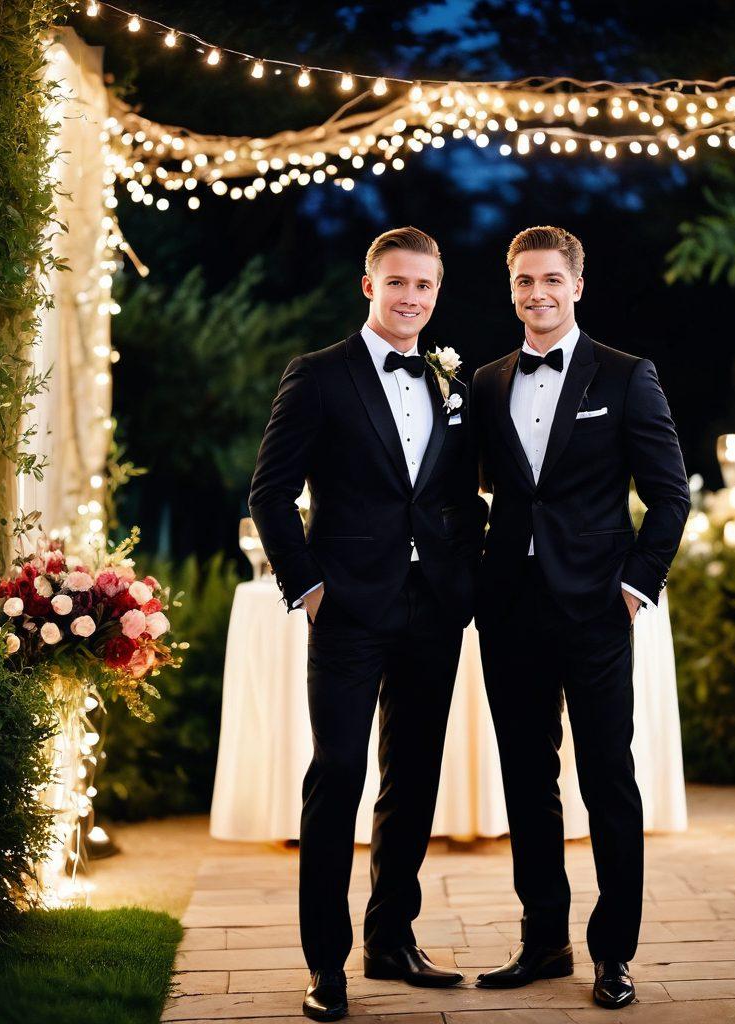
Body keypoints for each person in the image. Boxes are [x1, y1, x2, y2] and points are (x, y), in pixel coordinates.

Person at [248, 226, 487, 1022]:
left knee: (413, 776)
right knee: (337, 777)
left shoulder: (452, 379)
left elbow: (459, 495)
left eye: (424, 286)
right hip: (348, 610)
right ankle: (326, 965)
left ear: (437, 291)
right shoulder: (318, 376)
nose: (411, 298)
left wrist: (464, 574)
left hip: (433, 613)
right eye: (398, 284)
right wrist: (309, 588)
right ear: (368, 287)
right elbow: (270, 495)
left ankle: (392, 939)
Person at [471, 225, 690, 1010]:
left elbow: (671, 495)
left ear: (577, 286)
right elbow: (465, 495)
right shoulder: (487, 382)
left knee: (607, 780)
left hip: (599, 609)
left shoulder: (628, 377)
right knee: (528, 783)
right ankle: (544, 941)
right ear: (511, 287)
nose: (537, 293)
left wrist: (636, 586)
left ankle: (615, 954)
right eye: (524, 280)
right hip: (509, 611)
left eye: (551, 280)